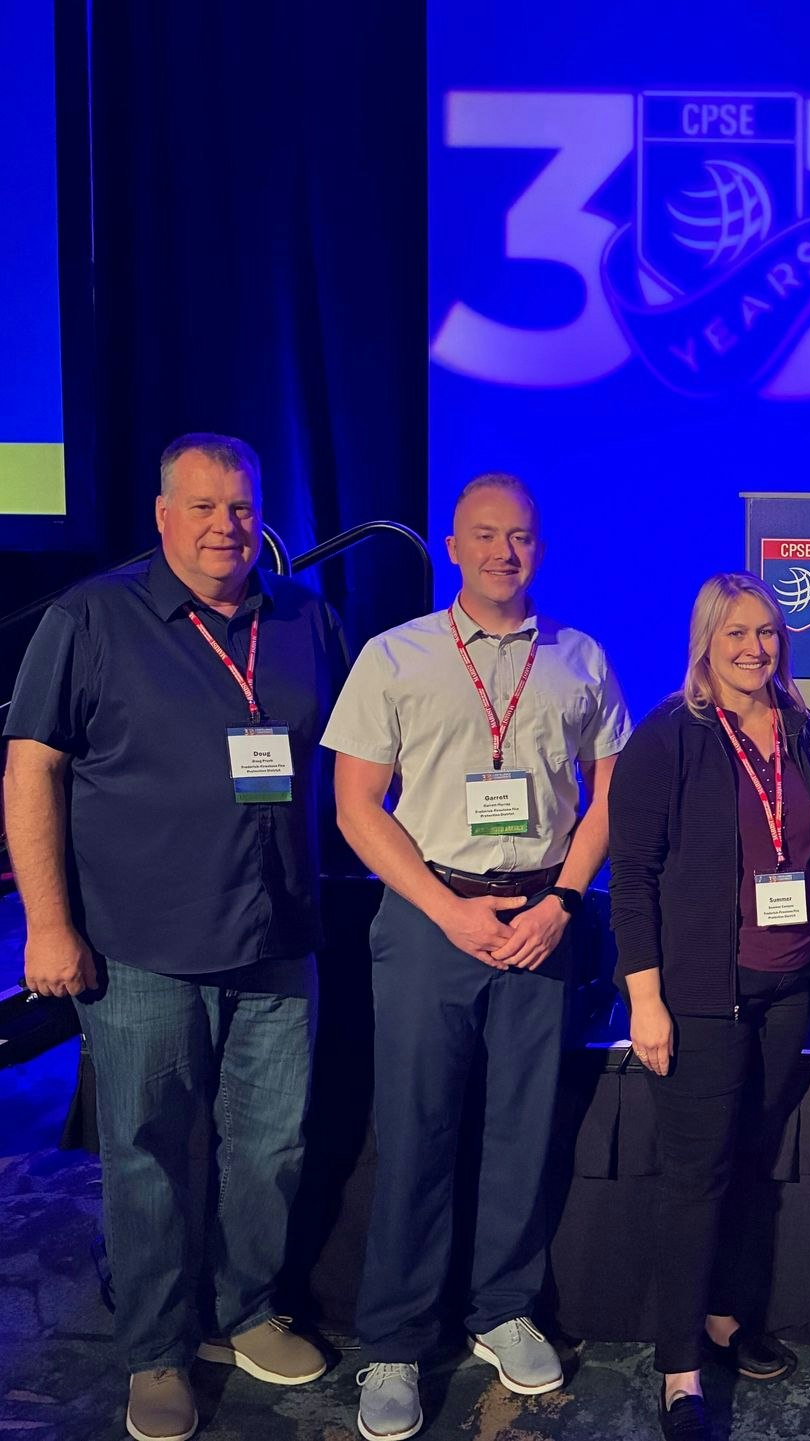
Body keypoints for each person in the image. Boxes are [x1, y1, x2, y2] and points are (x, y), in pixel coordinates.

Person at [3, 434, 345, 1441]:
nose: (223, 527)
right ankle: (156, 1349)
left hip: (278, 939)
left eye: (239, 508)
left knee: (270, 1146)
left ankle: (243, 1312)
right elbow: (30, 770)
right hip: (138, 946)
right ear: (163, 518)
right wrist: (49, 924)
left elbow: (360, 755)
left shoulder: (304, 617)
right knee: (147, 1154)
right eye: (200, 508)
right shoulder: (92, 618)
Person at [323, 474, 630, 1441]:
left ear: (542, 549)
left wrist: (565, 901)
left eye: (524, 538)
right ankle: (395, 1342)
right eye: (487, 536)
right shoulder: (396, 655)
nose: (506, 552)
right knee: (414, 1127)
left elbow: (612, 787)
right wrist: (444, 912)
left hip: (540, 912)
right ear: (453, 546)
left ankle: (501, 1306)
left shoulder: (578, 657)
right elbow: (355, 806)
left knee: (521, 1127)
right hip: (428, 914)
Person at [608, 572, 810, 1441]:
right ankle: (680, 1366)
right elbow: (632, 880)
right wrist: (646, 996)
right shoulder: (668, 738)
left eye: (768, 632)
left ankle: (723, 1317)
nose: (756, 648)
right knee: (696, 1177)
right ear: (705, 644)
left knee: (751, 1159)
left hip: (792, 985)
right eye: (736, 635)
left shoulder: (803, 729)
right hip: (700, 997)